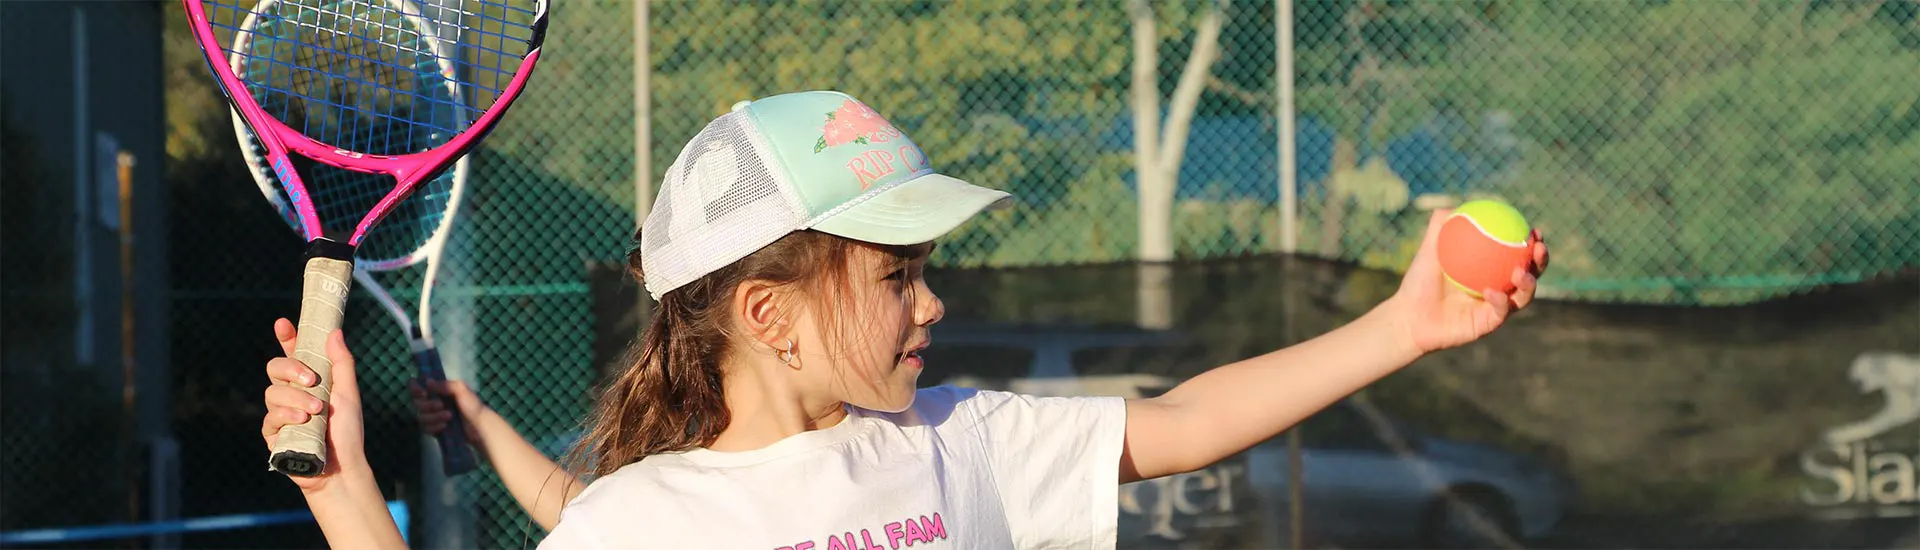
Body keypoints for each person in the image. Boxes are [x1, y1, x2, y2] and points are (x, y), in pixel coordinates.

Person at [258, 90, 1548, 549]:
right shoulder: (642, 526)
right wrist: (341, 493)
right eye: (894, 274)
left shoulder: (959, 442)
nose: (933, 301)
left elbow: (1183, 422)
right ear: (771, 313)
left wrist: (1401, 323)